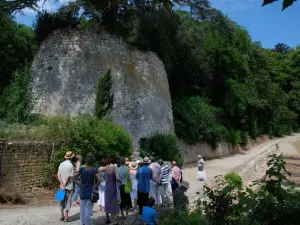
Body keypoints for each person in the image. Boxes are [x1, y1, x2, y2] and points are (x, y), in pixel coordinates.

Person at [74, 154, 100, 225]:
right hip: (91, 191)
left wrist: (80, 185)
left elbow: (74, 178)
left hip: (83, 190)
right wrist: (95, 186)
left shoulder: (82, 169)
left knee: (82, 208)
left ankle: (82, 223)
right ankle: (87, 223)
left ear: (86, 161)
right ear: (93, 161)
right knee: (88, 209)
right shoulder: (94, 170)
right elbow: (99, 179)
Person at [101, 158, 120, 224]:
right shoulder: (115, 168)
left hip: (107, 187)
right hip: (113, 187)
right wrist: (120, 180)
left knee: (107, 201)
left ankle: (107, 218)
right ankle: (113, 220)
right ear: (115, 161)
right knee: (114, 202)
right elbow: (117, 178)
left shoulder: (106, 167)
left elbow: (98, 170)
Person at [57, 151, 75, 222]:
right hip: (69, 186)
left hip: (61, 186)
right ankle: (66, 217)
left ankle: (61, 216)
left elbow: (58, 176)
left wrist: (62, 184)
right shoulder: (71, 165)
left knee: (61, 199)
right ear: (71, 157)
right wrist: (65, 185)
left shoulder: (61, 164)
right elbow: (68, 177)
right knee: (68, 200)